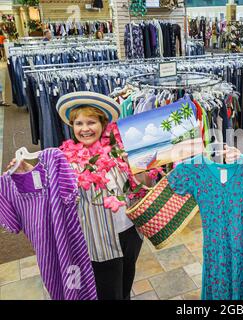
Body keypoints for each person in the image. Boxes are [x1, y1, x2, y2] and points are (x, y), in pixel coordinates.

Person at [5, 92, 146, 300]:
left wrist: (141, 165)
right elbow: (43, 187)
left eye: (91, 122)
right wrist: (25, 169)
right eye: (79, 123)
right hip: (98, 241)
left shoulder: (119, 151)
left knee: (125, 284)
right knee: (108, 292)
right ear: (72, 126)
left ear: (103, 123)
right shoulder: (64, 160)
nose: (85, 129)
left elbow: (142, 185)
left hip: (131, 233)